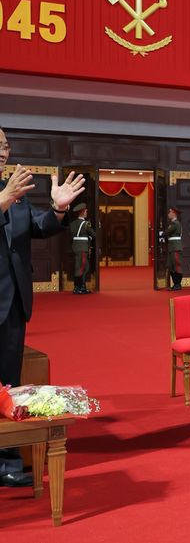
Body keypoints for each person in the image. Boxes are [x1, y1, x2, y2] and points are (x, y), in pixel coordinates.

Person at [0, 126, 85, 488]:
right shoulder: (9, 192)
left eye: (5, 145)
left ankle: (7, 460)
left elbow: (39, 226)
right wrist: (3, 199)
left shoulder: (15, 190)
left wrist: (57, 208)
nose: (3, 151)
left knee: (9, 383)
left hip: (12, 301)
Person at [70, 202, 94, 294]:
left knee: (83, 267)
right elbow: (93, 234)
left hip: (76, 247)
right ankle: (78, 287)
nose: (86, 212)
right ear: (82, 212)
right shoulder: (86, 224)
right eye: (85, 211)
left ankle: (81, 287)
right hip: (82, 248)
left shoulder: (73, 223)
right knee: (82, 268)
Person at [166, 207, 183, 291]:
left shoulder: (175, 223)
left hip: (175, 247)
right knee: (171, 266)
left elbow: (166, 232)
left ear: (174, 214)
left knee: (176, 265)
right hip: (172, 247)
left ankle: (177, 284)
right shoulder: (173, 223)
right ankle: (175, 284)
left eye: (170, 212)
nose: (168, 214)